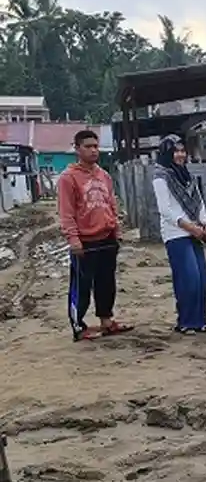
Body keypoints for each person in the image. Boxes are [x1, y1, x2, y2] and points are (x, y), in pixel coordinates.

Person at [58, 129, 133, 341]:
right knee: (81, 285)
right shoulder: (68, 178)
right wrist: (73, 239)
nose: (93, 150)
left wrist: (116, 230)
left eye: (95, 146)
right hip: (85, 241)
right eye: (88, 146)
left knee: (106, 282)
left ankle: (106, 321)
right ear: (77, 149)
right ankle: (79, 327)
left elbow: (111, 204)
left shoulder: (104, 176)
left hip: (107, 238)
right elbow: (66, 212)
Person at [151, 134, 206, 334]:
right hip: (175, 233)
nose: (180, 155)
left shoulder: (187, 176)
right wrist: (189, 227)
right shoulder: (161, 177)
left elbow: (199, 203)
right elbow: (165, 210)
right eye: (175, 151)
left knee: (201, 279)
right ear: (167, 153)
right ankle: (186, 322)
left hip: (195, 231)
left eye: (182, 151)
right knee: (188, 278)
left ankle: (200, 322)